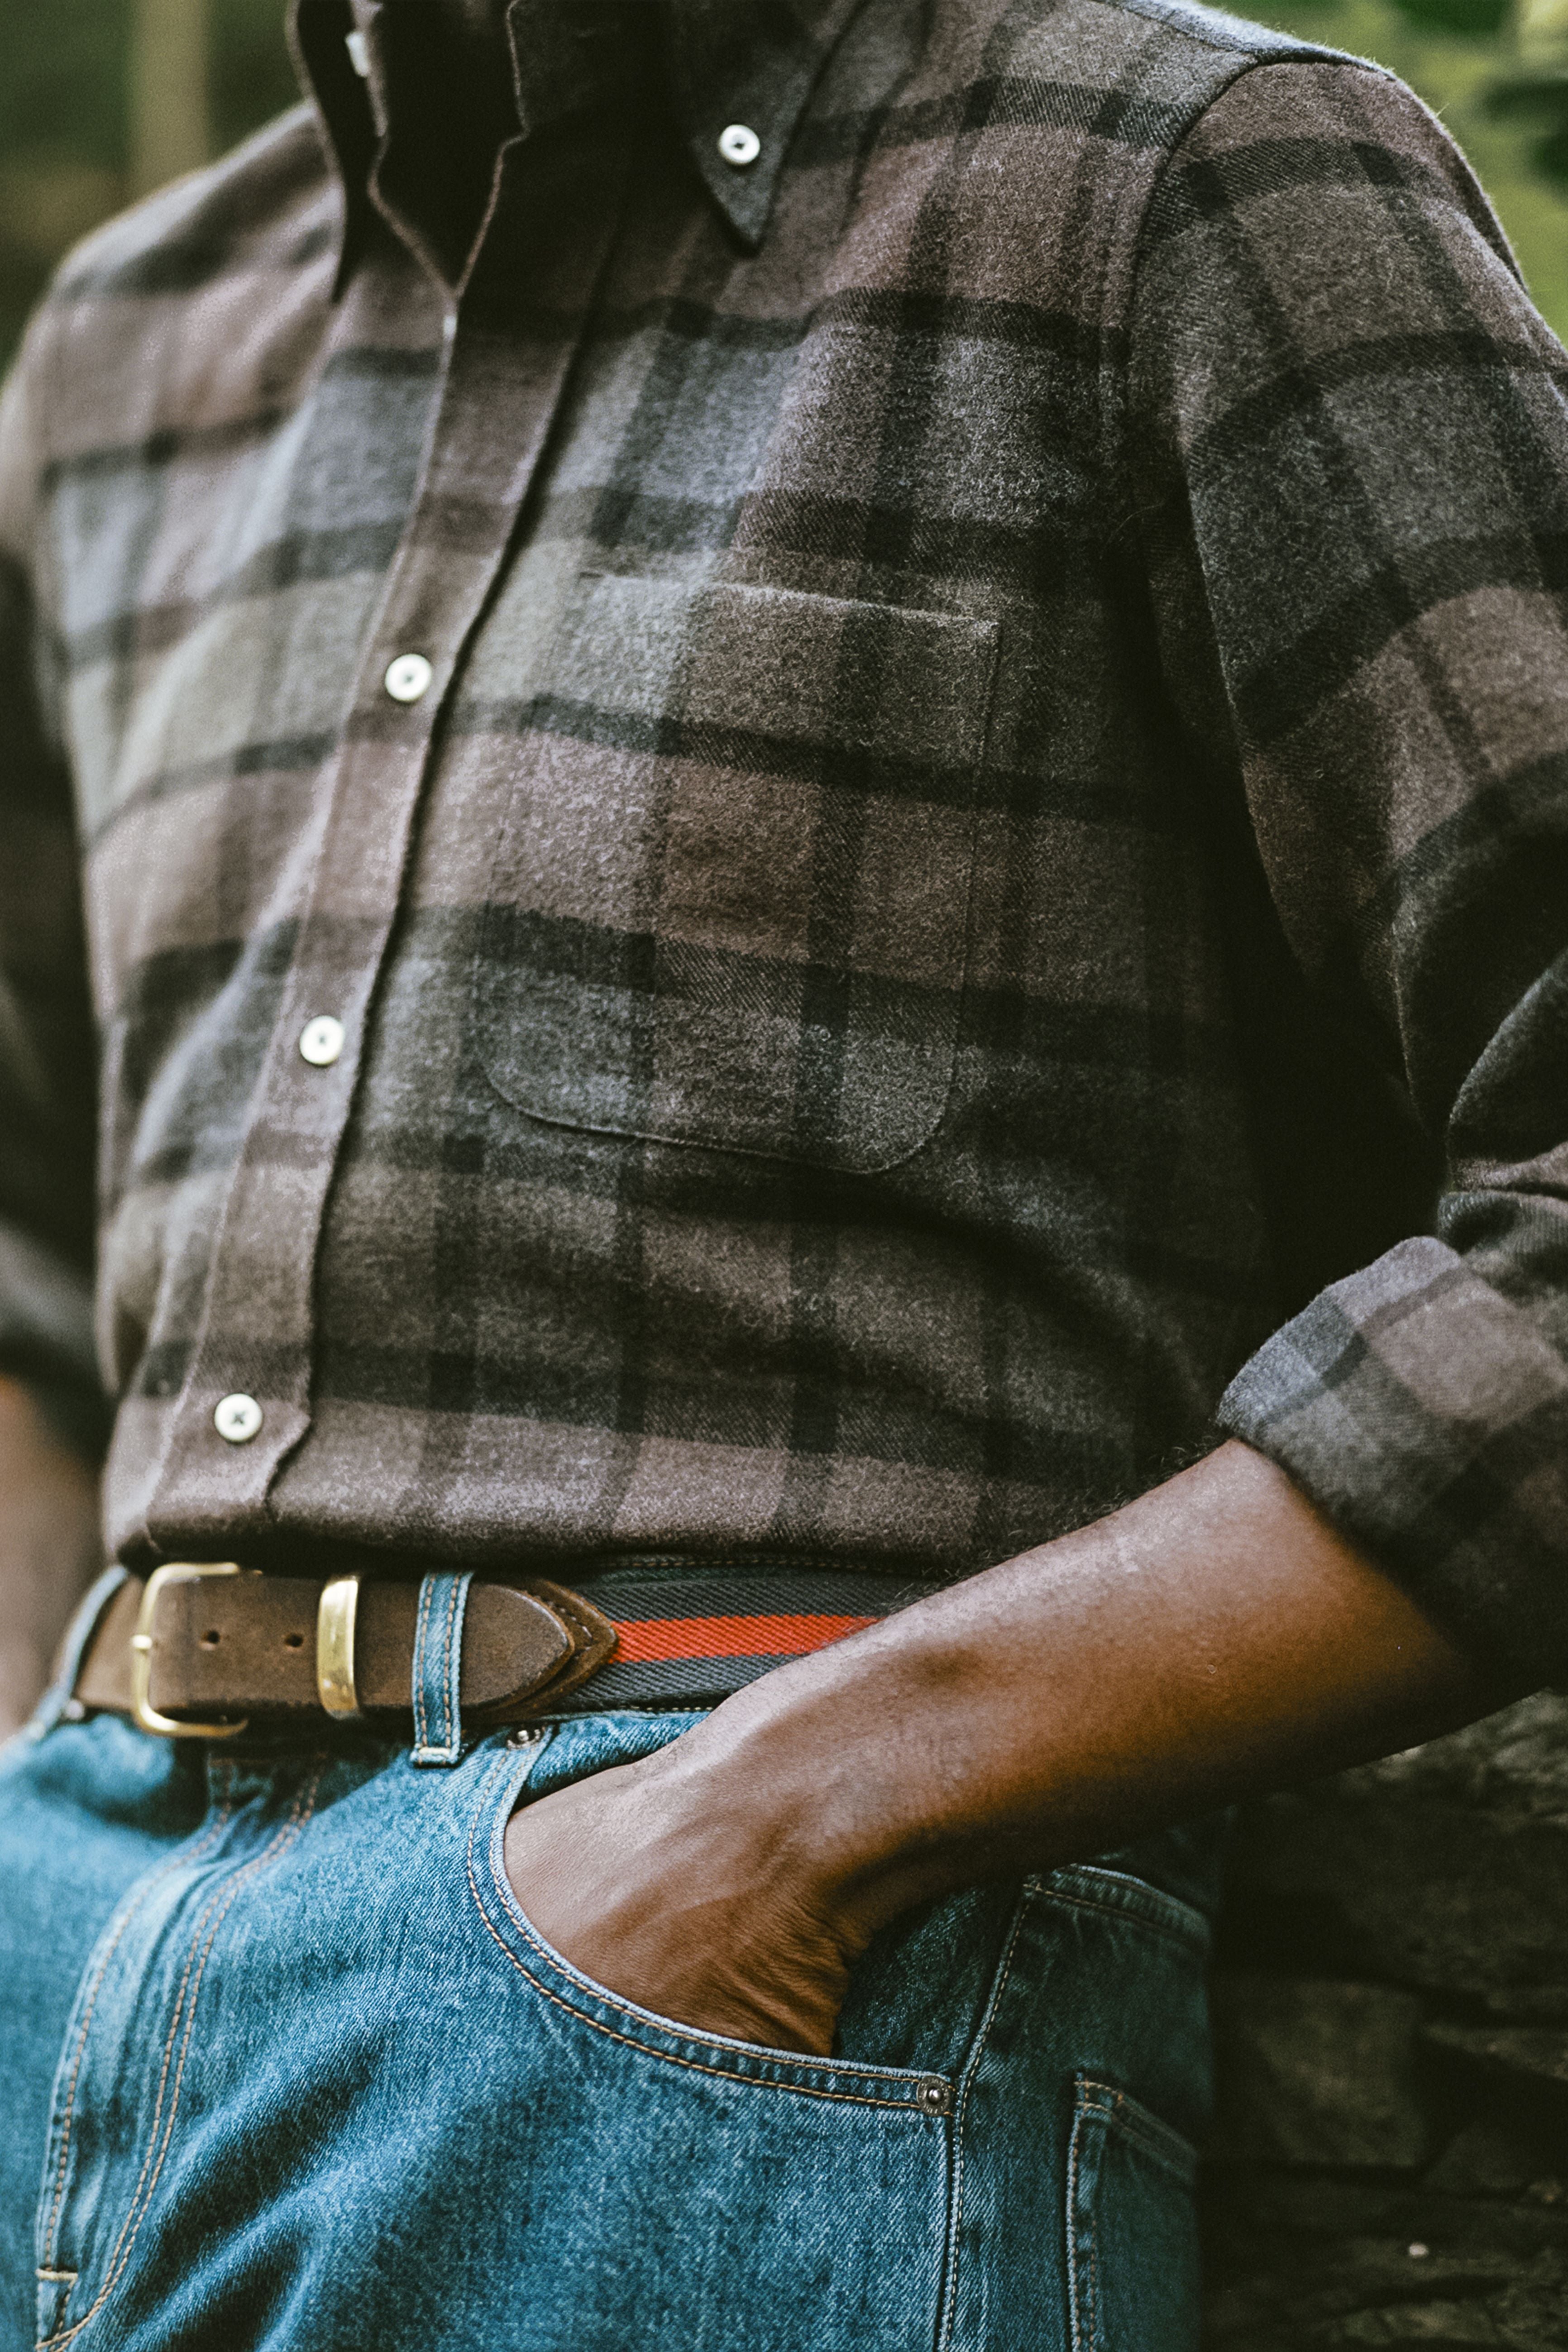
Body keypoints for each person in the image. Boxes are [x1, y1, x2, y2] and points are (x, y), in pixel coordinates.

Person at [0, 0, 1563, 2341]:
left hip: (706, 1994)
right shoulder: (124, 352)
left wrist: (781, 1829)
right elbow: (31, 1234)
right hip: (59, 1927)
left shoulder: (1190, 182)